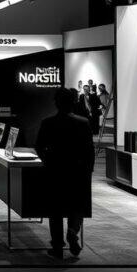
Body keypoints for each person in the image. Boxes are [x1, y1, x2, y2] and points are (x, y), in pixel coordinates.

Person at [35, 87, 94, 259]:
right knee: (76, 206)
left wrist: (48, 161)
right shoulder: (83, 123)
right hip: (77, 172)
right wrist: (87, 170)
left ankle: (58, 247)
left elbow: (39, 146)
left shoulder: (48, 123)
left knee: (56, 210)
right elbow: (89, 151)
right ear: (73, 102)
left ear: (57, 103)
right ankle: (73, 231)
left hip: (55, 171)